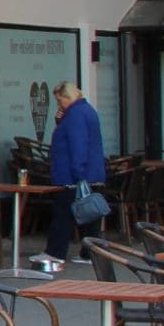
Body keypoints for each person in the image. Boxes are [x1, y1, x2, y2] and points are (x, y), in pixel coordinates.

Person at [45, 79, 105, 261]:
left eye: (59, 100)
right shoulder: (87, 111)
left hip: (72, 176)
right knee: (89, 216)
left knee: (63, 214)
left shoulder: (75, 115)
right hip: (92, 173)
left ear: (67, 96)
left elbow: (77, 144)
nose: (59, 104)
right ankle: (91, 254)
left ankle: (55, 253)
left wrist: (78, 172)